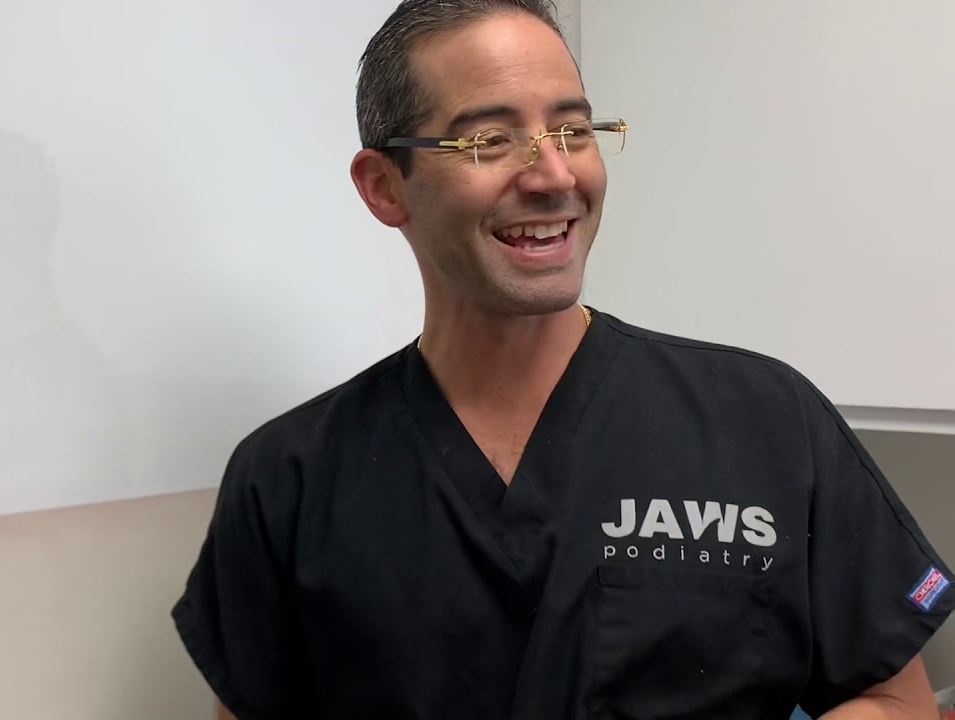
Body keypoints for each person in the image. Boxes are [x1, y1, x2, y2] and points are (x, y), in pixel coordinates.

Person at [171, 1, 955, 718]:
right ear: (385, 187)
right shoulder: (288, 480)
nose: (554, 174)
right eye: (490, 139)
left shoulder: (767, 421)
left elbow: (895, 700)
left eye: (574, 131)